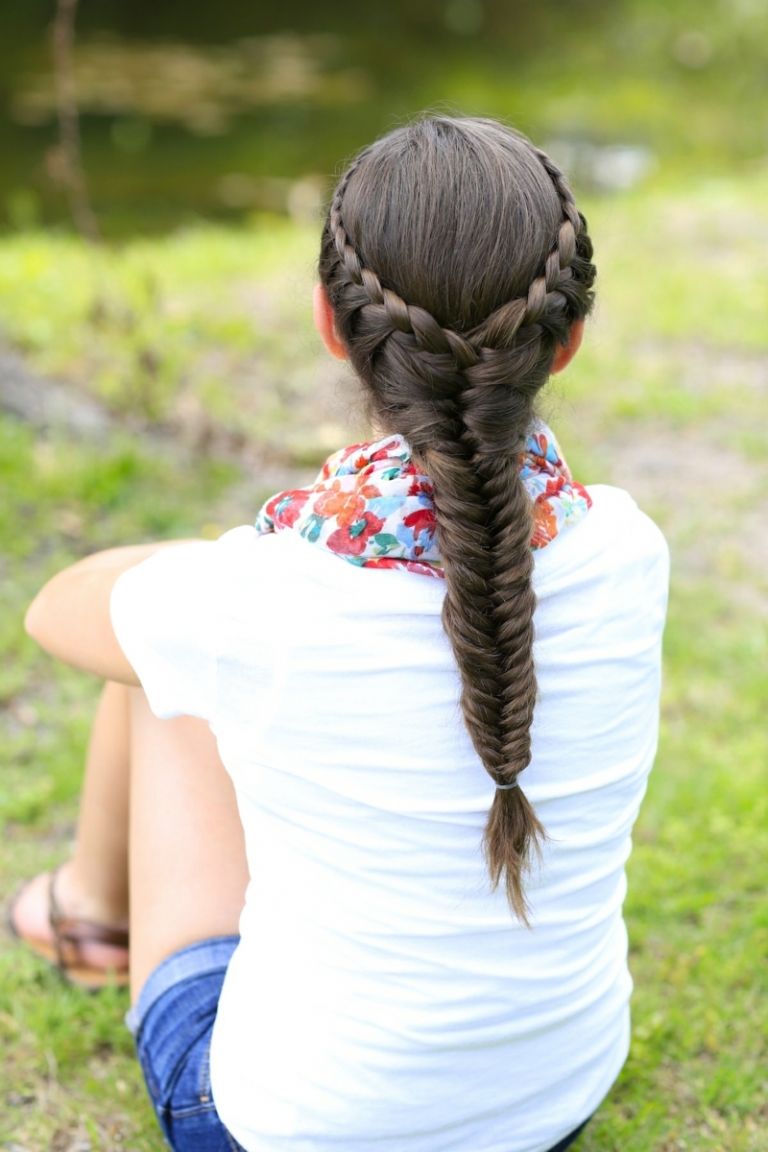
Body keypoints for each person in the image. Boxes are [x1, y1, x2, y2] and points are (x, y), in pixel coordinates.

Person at [10, 116, 669, 1152]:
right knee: (183, 636)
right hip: (551, 1105)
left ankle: (83, 911)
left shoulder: (264, 596)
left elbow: (57, 609)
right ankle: (84, 908)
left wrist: (211, 558)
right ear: (568, 338)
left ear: (329, 321)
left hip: (285, 1127)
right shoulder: (630, 549)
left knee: (156, 655)